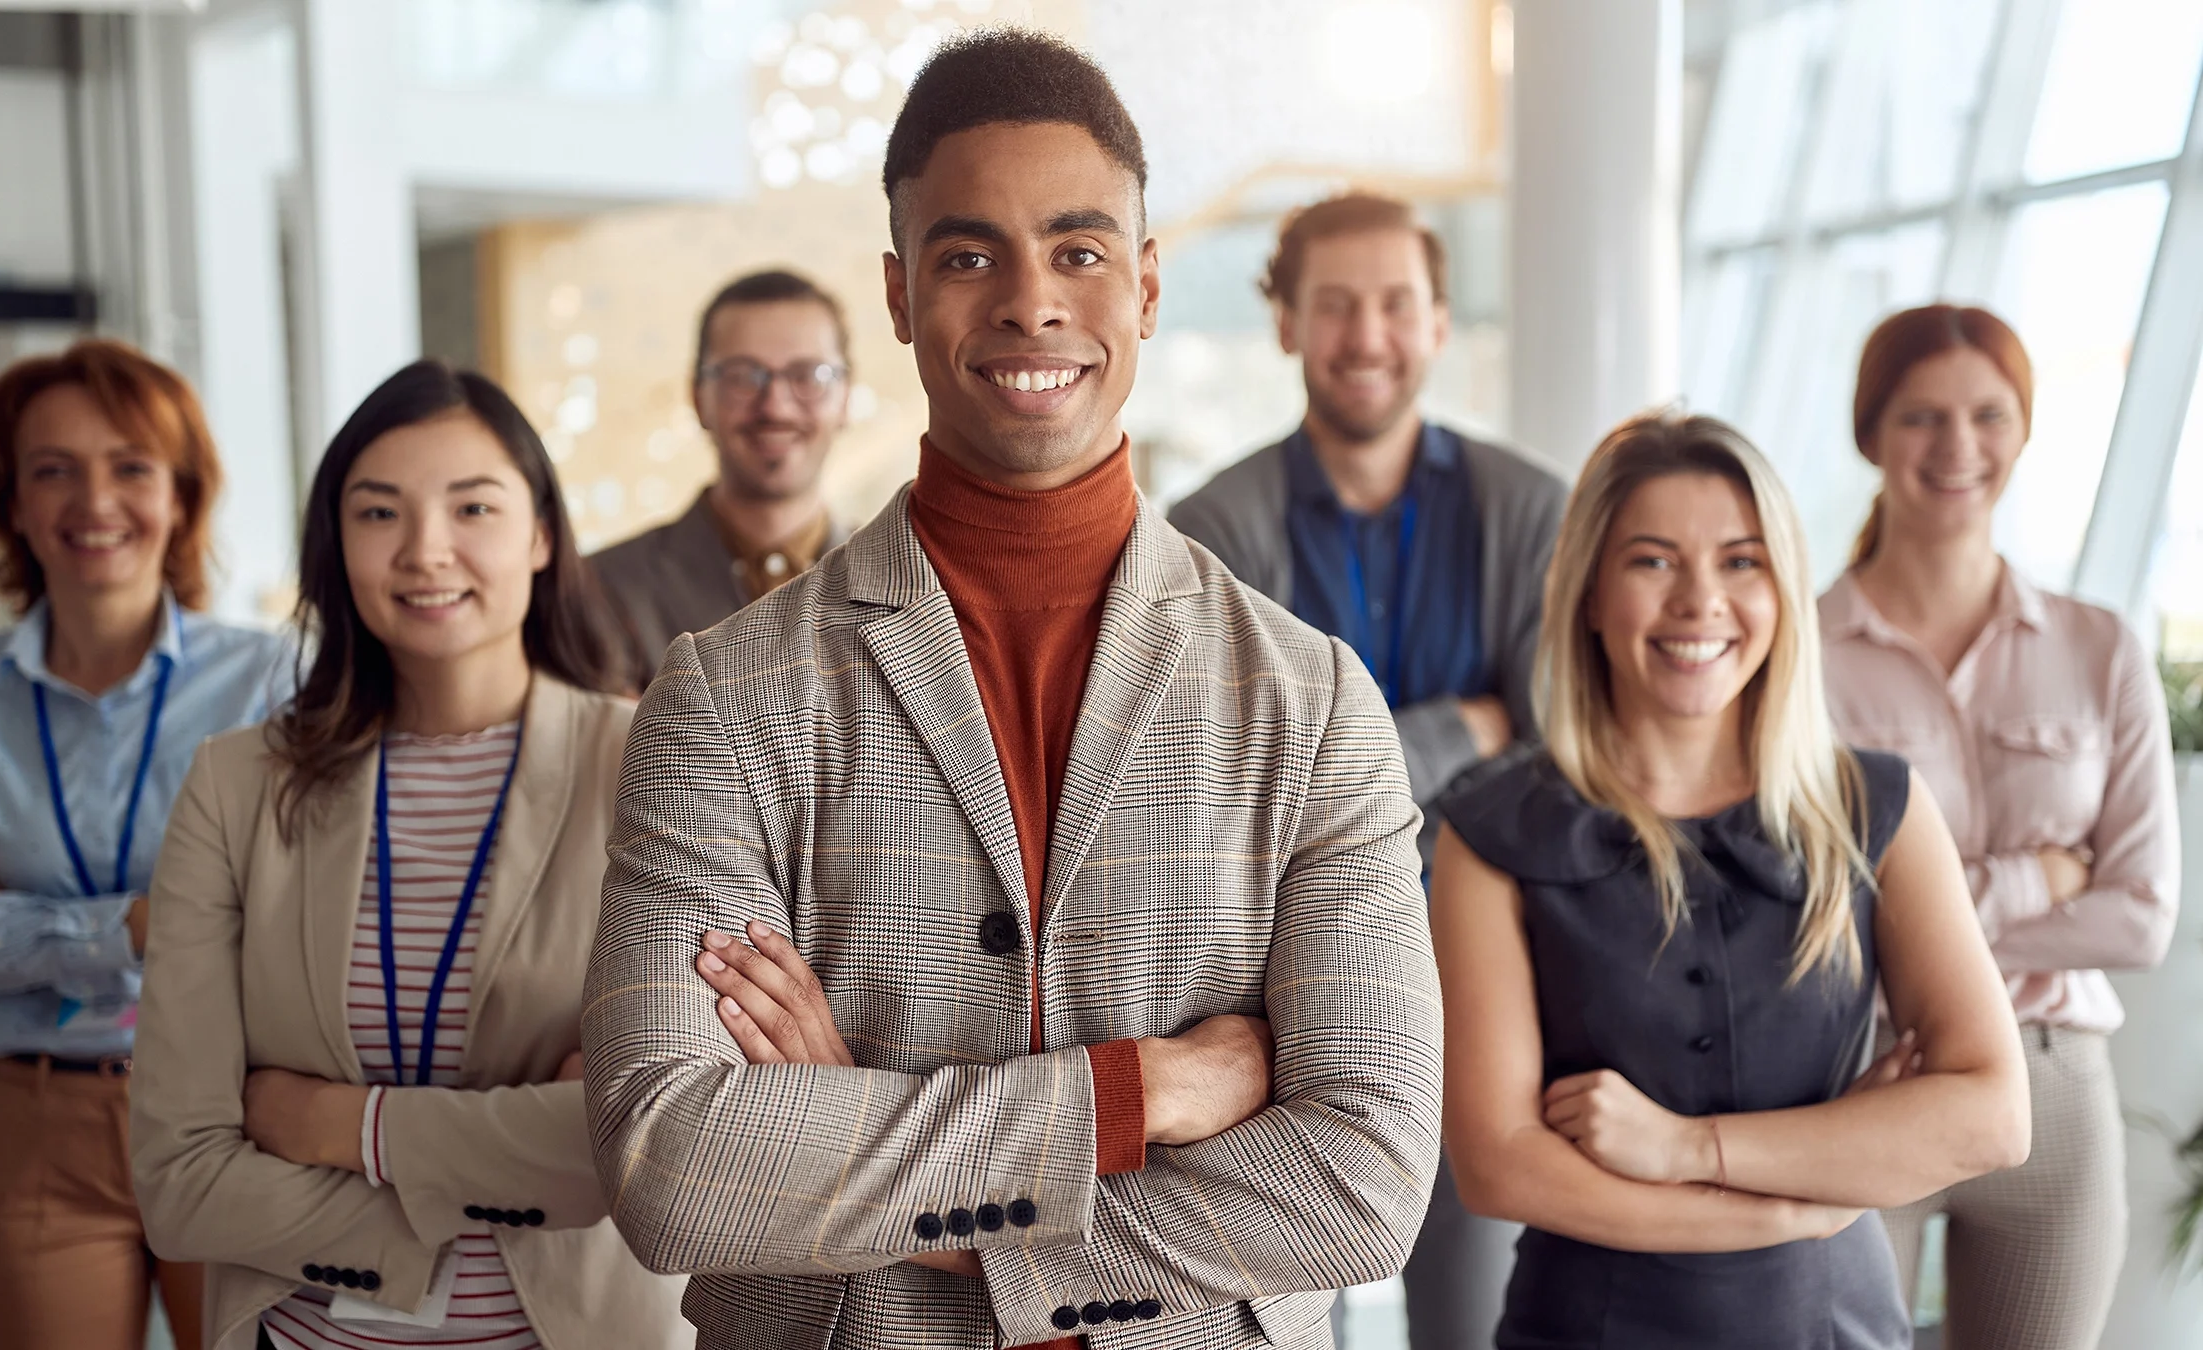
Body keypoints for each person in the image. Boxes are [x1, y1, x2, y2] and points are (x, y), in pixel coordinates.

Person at [581, 28, 1441, 1350]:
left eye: (1080, 251)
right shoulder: (726, 694)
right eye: (969, 252)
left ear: (1147, 286)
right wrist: (1131, 1092)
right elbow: (675, 1164)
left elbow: (1365, 1180)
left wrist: (860, 1154)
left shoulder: (1312, 701)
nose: (1031, 301)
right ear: (897, 290)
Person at [1432, 411, 2030, 1349]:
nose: (1700, 601)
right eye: (1653, 561)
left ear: (1784, 589)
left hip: (1838, 1327)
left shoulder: (1880, 807)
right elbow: (1501, 1167)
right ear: (1589, 592)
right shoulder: (1487, 837)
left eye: (1742, 562)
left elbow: (1992, 1115)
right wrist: (1795, 1204)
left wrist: (1684, 1152)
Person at [127, 361, 687, 1350]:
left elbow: (658, 1150)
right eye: (378, 514)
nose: (427, 551)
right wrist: (509, 1158)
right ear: (335, 545)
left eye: (473, 507)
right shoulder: (234, 787)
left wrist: (347, 1128)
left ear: (543, 534)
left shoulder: (652, 766)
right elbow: (180, 1183)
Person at [1168, 188, 1565, 1347]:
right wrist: (1461, 730)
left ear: (1440, 321)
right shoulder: (1209, 532)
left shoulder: (1530, 511)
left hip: (1482, 985)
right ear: (1284, 322)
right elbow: (1235, 782)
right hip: (1267, 998)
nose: (1367, 335)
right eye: (1333, 305)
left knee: (1471, 1320)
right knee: (1282, 1317)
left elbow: (1557, 765)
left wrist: (1346, 761)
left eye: (1396, 303)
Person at [0, 338, 288, 1350]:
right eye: (53, 469)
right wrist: (139, 924)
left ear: (181, 497)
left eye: (130, 467)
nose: (94, 501)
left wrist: (5, 911)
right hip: (35, 1123)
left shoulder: (272, 686)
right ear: (11, 502)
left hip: (234, 1106)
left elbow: (292, 916)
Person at [1821, 304, 2180, 1349]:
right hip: (1865, 1075)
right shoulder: (1798, 658)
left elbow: (2142, 918)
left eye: (1988, 415)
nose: (1958, 447)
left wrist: (1923, 918)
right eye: (1922, 417)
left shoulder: (2101, 648)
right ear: (1871, 434)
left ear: (2022, 431)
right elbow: (1815, 918)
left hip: (2057, 1088)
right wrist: (2039, 882)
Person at [585, 268, 855, 690]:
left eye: (806, 376)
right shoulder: (603, 590)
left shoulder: (909, 580)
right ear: (698, 399)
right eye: (742, 377)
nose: (776, 407)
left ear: (845, 398)